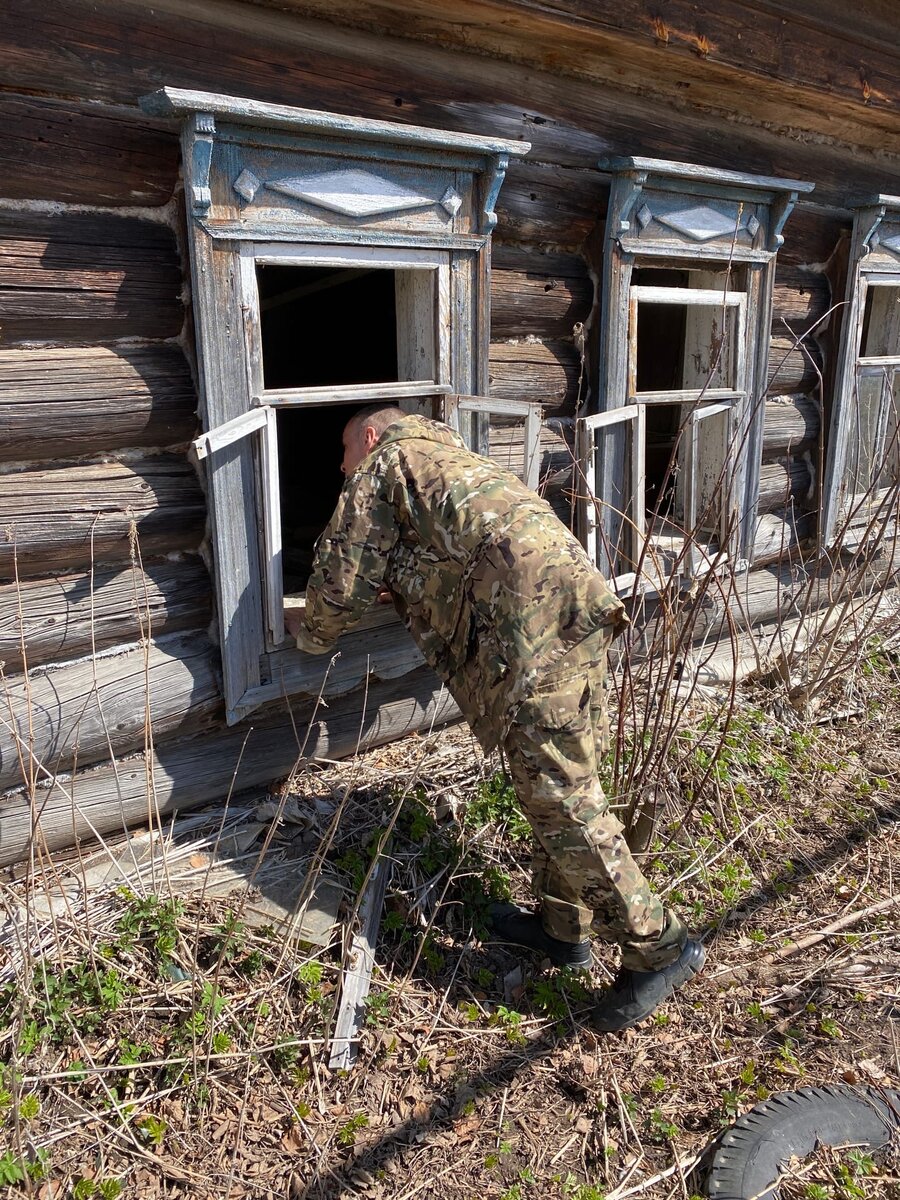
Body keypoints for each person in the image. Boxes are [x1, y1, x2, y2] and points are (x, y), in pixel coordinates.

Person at [285, 404, 704, 1030]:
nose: (341, 469)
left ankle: (659, 948)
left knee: (560, 798)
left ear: (368, 437)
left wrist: (307, 633)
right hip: (573, 613)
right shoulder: (446, 456)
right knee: (561, 785)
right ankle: (563, 928)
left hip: (530, 639)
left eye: (342, 454)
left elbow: (339, 580)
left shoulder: (383, 462)